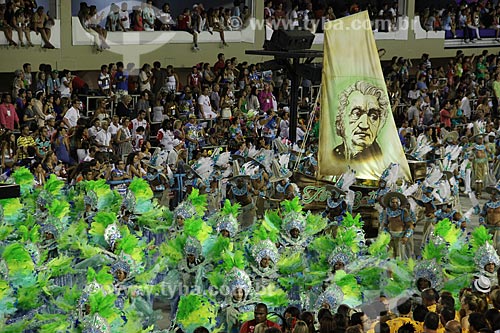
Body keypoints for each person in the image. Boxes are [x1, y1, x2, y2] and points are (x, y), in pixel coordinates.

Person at [333, 81, 389, 162]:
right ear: (339, 122)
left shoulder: (384, 161)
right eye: (356, 114)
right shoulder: (331, 157)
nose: (364, 125)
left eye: (373, 116)